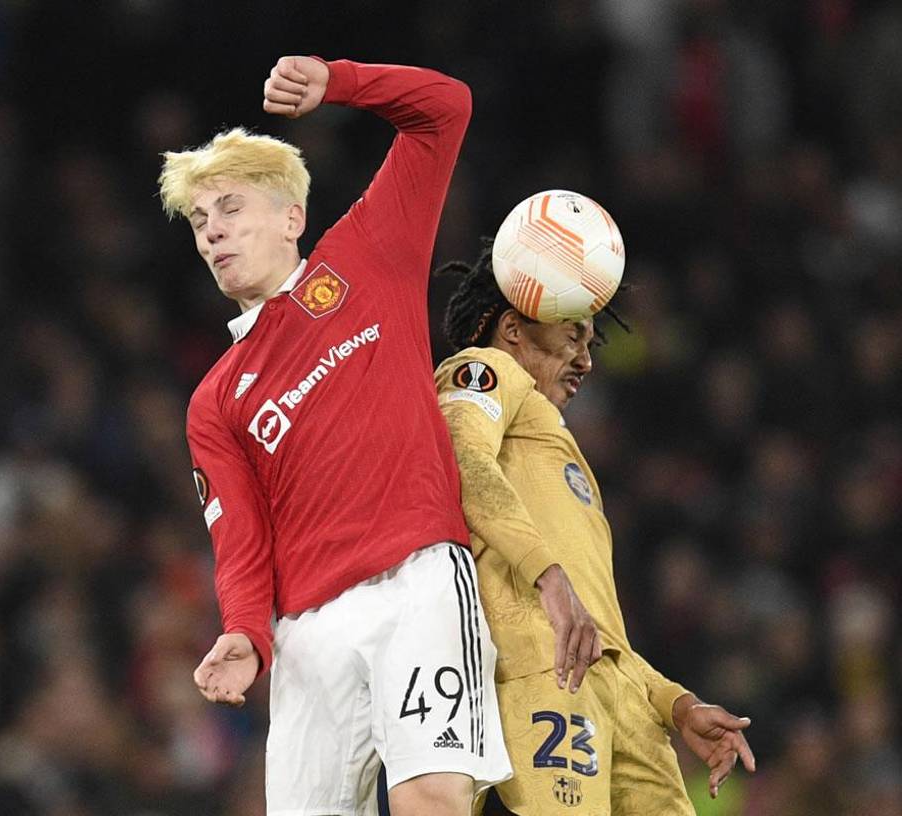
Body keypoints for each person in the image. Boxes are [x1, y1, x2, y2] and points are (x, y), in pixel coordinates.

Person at [157, 57, 511, 816]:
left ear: (291, 216)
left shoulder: (367, 256)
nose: (213, 231)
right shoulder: (215, 401)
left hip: (416, 580)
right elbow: (242, 544)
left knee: (432, 800)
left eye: (229, 207)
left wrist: (338, 82)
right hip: (307, 632)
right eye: (199, 221)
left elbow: (447, 106)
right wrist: (246, 635)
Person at [433, 242, 756, 815]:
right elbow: (463, 456)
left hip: (622, 701)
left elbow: (601, 632)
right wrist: (548, 576)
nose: (587, 359)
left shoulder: (559, 455)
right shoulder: (483, 370)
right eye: (573, 336)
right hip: (548, 674)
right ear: (511, 328)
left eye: (589, 341)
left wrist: (675, 705)